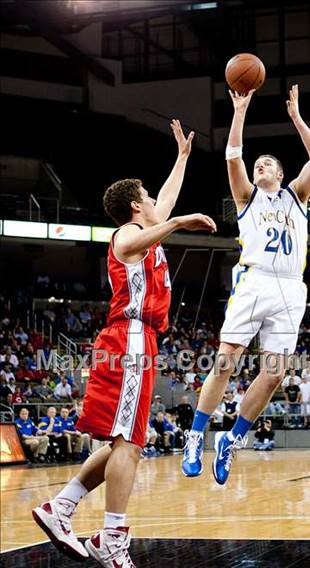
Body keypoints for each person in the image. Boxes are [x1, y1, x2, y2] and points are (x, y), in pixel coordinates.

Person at [32, 119, 216, 566]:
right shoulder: (125, 236)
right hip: (128, 339)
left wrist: (183, 157)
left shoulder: (144, 231)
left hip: (138, 342)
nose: (158, 201)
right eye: (149, 199)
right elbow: (156, 223)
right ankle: (112, 540)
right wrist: (176, 221)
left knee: (122, 442)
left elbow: (167, 199)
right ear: (137, 207)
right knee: (129, 445)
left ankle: (62, 507)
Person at [183, 84, 310, 484]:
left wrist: (296, 117)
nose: (260, 166)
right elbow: (233, 156)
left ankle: (232, 438)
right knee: (227, 359)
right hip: (256, 279)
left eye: (267, 164)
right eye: (258, 164)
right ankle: (195, 435)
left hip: (291, 287)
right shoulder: (246, 197)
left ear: (281, 174)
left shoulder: (297, 195)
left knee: (275, 372)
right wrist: (240, 111)